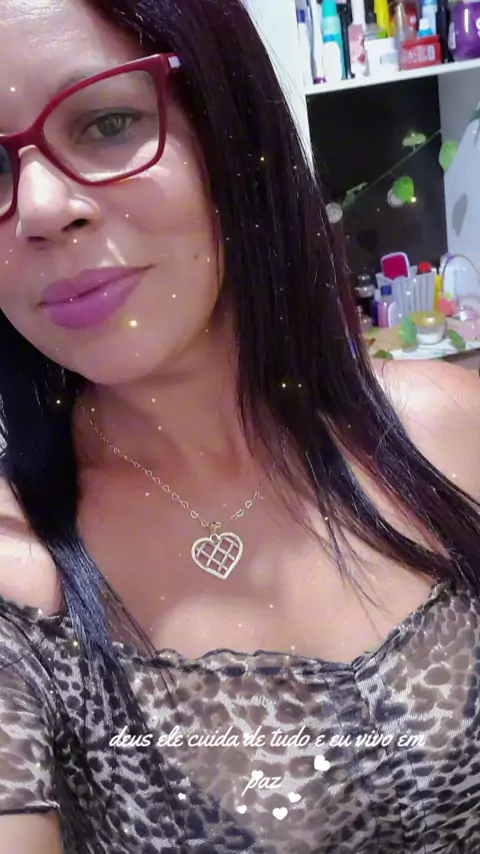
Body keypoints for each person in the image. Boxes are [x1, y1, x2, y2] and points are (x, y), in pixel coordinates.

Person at [0, 0, 479, 851]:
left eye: (107, 122)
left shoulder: (450, 428)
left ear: (230, 126)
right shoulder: (19, 570)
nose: (40, 206)